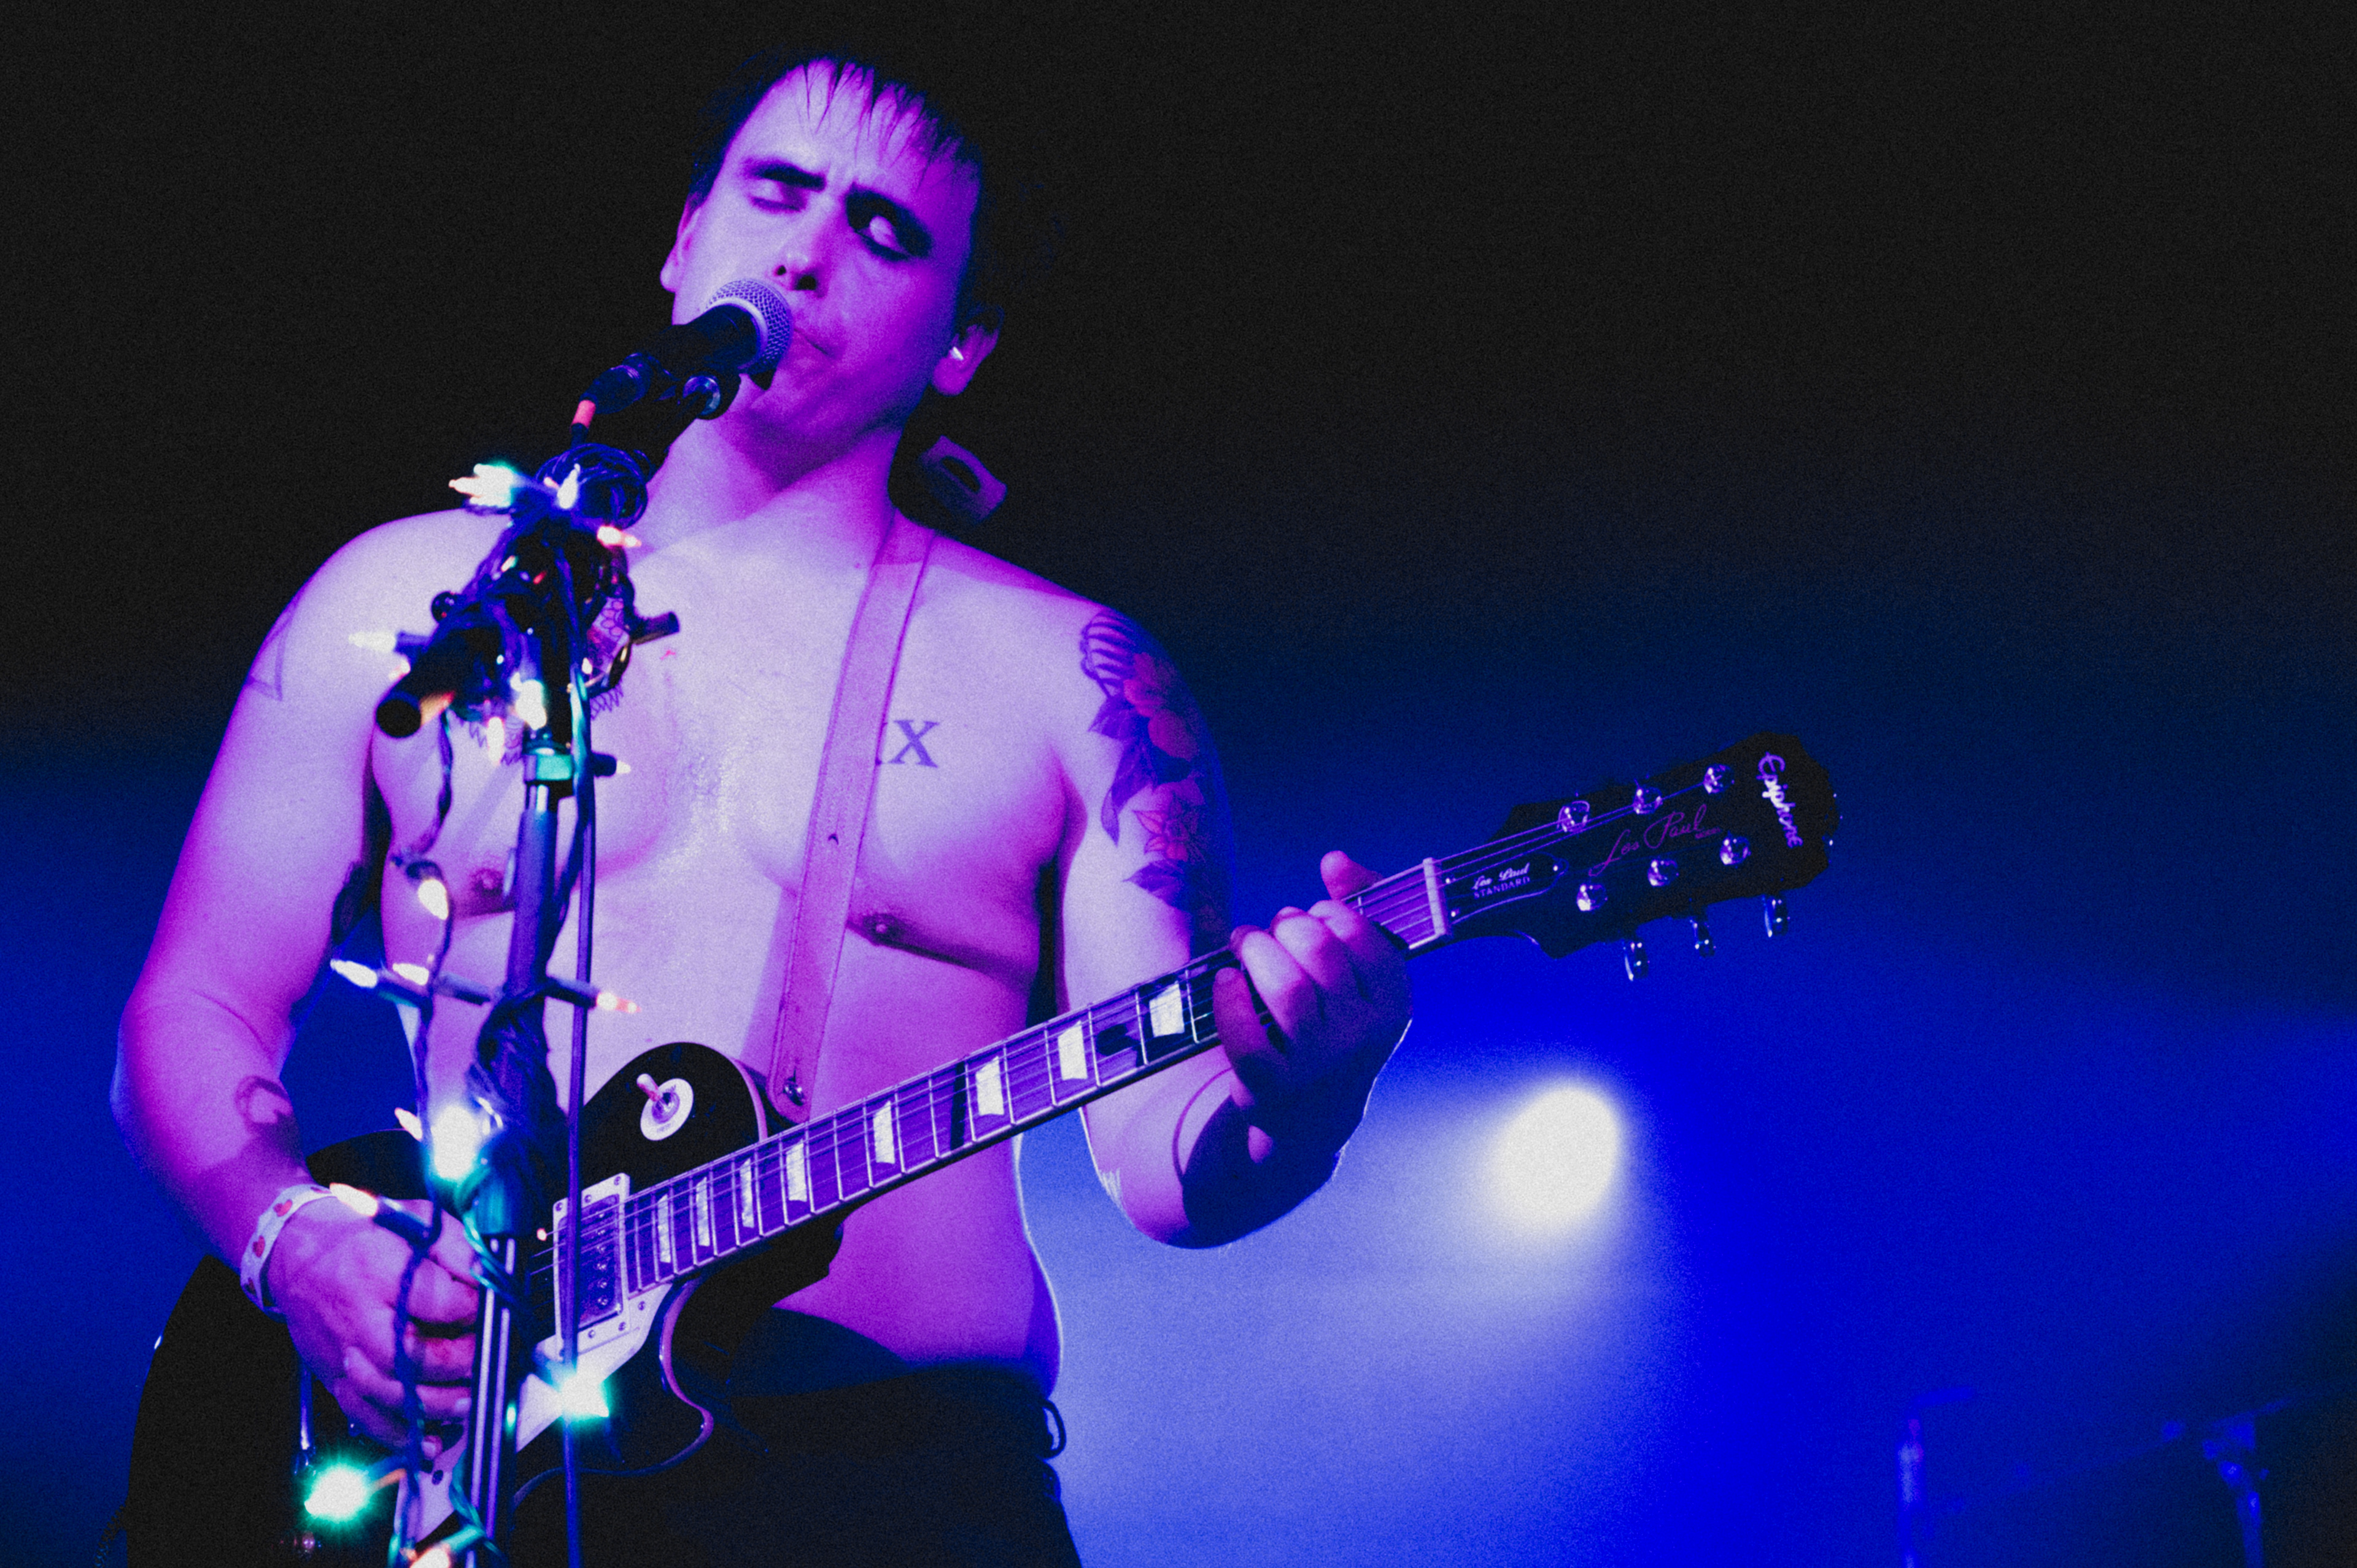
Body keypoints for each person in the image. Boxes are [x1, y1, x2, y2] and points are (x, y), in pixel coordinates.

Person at [114, 36, 1411, 1566]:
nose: (805, 253)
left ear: (964, 340)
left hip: (894, 1486)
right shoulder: (407, 604)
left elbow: (1164, 1162)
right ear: (683, 238)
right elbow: (195, 1003)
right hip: (463, 1475)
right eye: (776, 191)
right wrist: (296, 1244)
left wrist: (1308, 1097)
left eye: (885, 232)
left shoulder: (1075, 680)